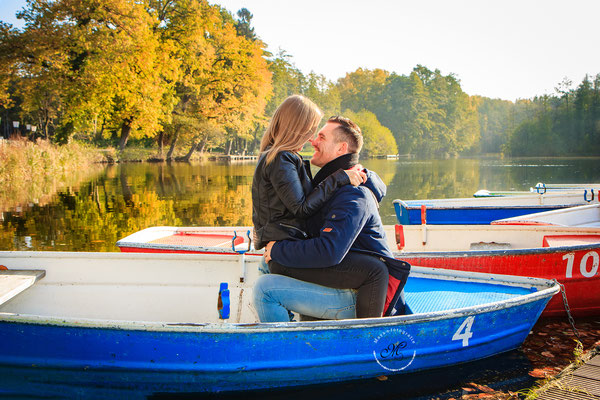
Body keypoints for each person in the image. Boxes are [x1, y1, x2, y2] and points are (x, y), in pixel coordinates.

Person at [253, 116, 411, 322]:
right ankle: (300, 333)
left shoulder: (354, 194)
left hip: (361, 294)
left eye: (321, 137)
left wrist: (279, 250)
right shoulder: (332, 187)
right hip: (341, 276)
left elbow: (329, 251)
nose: (313, 141)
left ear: (340, 148)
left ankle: (288, 349)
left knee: (265, 289)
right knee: (266, 265)